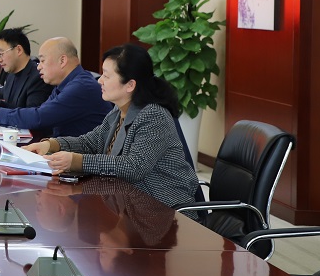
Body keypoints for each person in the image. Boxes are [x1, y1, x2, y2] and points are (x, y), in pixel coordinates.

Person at [26, 43, 199, 209]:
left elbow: (134, 167)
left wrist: (76, 161)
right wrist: (50, 145)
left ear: (130, 85)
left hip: (163, 210)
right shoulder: (118, 111)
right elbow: (90, 143)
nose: (100, 81)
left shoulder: (154, 115)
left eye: (107, 76)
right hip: (128, 203)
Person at [0, 37, 110, 138]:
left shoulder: (81, 87)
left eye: (42, 60)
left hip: (82, 161)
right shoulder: (64, 84)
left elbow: (39, 117)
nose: (38, 67)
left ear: (62, 61)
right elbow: (40, 113)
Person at [0, 27, 50, 112]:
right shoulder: (11, 74)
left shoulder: (39, 77)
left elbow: (31, 114)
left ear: (18, 50)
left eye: (1, 54)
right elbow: (0, 93)